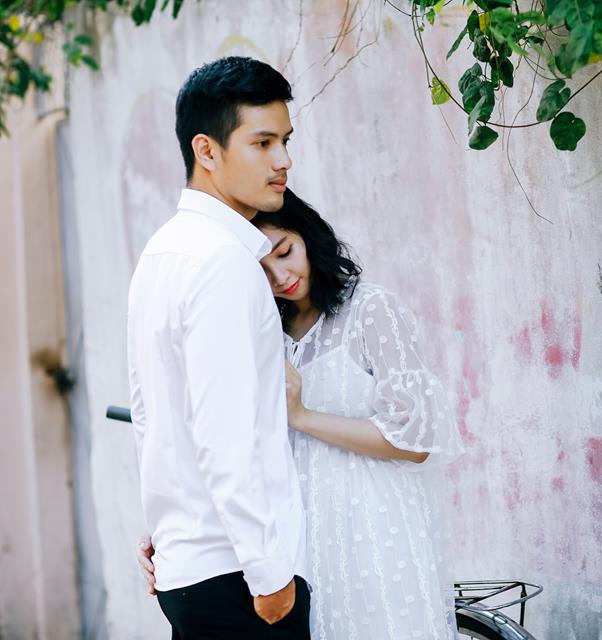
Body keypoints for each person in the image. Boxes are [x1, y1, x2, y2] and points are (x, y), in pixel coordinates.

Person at [139, 190, 466, 639]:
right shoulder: (260, 328)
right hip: (294, 536)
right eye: (261, 269)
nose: (280, 277)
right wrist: (173, 524)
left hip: (373, 528)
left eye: (285, 252)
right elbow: (227, 439)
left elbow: (415, 441)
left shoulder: (370, 311)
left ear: (308, 236)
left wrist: (302, 416)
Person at [127, 56, 310, 638]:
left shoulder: (163, 251)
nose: (283, 161)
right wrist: (269, 574)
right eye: (262, 143)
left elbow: (150, 416)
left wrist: (167, 528)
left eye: (284, 141)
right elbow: (225, 434)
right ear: (206, 151)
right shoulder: (222, 262)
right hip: (239, 576)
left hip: (191, 568)